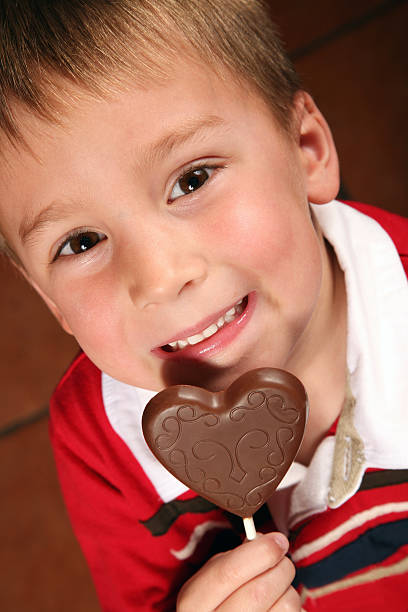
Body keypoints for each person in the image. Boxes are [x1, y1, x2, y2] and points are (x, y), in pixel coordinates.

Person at [0, 1, 407, 610]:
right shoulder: (102, 438)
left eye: (192, 179)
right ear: (48, 300)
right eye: (81, 243)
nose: (160, 278)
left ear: (307, 149)